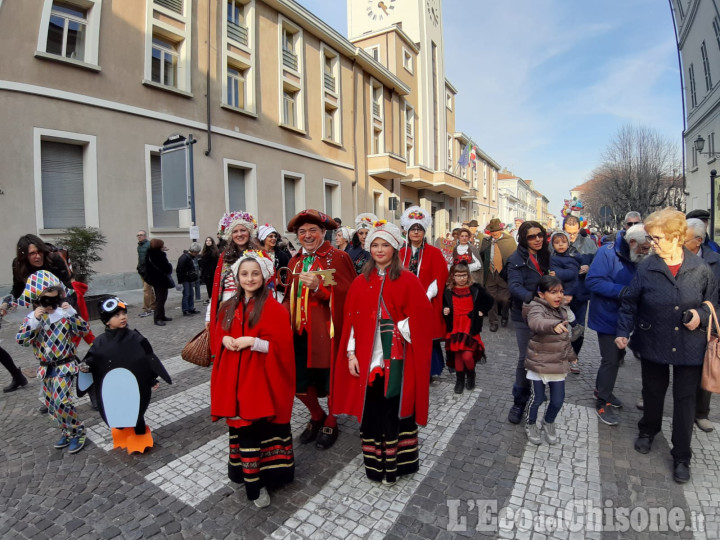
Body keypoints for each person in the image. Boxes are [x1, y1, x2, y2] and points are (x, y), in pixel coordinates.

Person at [616, 207, 716, 484]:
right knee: (652, 391)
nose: (652, 243)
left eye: (657, 238)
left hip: (689, 344)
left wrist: (701, 315)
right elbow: (630, 302)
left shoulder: (700, 268)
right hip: (653, 338)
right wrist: (623, 331)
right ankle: (648, 430)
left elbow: (714, 305)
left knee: (685, 401)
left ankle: (682, 455)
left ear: (675, 237)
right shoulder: (647, 266)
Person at [331, 221, 432, 485]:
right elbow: (351, 321)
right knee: (371, 412)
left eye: (384, 245)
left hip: (398, 360)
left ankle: (396, 467)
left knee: (394, 411)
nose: (378, 249)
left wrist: (397, 326)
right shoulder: (360, 281)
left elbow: (422, 320)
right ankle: (376, 468)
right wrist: (351, 354)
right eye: (374, 245)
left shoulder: (408, 280)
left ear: (395, 248)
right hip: (367, 359)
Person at [210, 251, 296, 508]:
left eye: (255, 273)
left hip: (261, 383)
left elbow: (282, 348)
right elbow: (217, 335)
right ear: (237, 276)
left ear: (264, 276)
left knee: (258, 430)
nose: (249, 278)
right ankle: (246, 475)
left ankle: (263, 480)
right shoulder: (227, 307)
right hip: (234, 382)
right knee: (241, 430)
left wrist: (254, 342)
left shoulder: (274, 308)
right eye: (245, 274)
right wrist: (223, 340)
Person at [282, 210, 356, 450]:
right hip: (299, 334)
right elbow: (288, 296)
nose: (307, 235)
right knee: (298, 382)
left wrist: (319, 289)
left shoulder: (338, 257)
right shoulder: (294, 260)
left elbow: (348, 297)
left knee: (331, 379)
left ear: (324, 232)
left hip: (328, 334)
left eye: (313, 230)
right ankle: (317, 415)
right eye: (302, 232)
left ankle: (332, 420)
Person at [80, 297, 171, 452]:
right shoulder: (100, 342)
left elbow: (146, 357)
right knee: (117, 409)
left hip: (134, 385)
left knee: (136, 411)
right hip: (114, 387)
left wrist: (151, 378)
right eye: (117, 315)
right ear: (107, 321)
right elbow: (93, 358)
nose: (123, 317)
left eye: (124, 313)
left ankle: (140, 437)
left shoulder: (135, 338)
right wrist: (86, 366)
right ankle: (122, 432)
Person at [16, 271, 90, 454]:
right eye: (46, 301)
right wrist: (34, 322)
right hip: (45, 368)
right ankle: (66, 431)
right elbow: (21, 340)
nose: (50, 306)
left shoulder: (64, 314)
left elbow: (83, 330)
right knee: (52, 405)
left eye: (53, 300)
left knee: (62, 401)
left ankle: (78, 431)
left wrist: (72, 314)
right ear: (37, 300)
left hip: (64, 365)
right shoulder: (32, 319)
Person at [586, 224, 650, 426]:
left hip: (629, 315)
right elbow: (593, 281)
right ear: (632, 243)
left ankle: (602, 389)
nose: (646, 252)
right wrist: (623, 291)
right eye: (643, 248)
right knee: (611, 359)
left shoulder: (639, 254)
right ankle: (602, 401)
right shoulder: (606, 253)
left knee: (616, 357)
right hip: (607, 315)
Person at [506, 221, 550, 424]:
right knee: (525, 358)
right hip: (524, 313)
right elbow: (514, 286)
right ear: (524, 238)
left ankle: (540, 393)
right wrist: (534, 298)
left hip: (549, 314)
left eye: (539, 234)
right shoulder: (515, 259)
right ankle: (519, 401)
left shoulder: (548, 255)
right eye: (532, 236)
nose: (537, 239)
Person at [522, 275, 574, 445]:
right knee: (537, 399)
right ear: (542, 294)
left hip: (557, 364)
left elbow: (564, 340)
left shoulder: (562, 309)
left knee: (558, 400)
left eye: (561, 292)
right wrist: (552, 325)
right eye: (553, 292)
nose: (559, 296)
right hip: (538, 363)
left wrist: (572, 356)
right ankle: (530, 424)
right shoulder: (536, 307)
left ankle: (548, 421)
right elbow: (536, 322)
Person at [399, 206, 449, 380]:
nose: (416, 232)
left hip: (428, 301)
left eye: (419, 229)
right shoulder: (401, 252)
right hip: (404, 301)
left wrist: (426, 296)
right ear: (407, 230)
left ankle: (429, 370)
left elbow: (439, 277)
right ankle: (408, 368)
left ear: (424, 231)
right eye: (413, 229)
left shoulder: (434, 252)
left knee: (427, 335)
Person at [685, 218, 720, 433]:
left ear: (698, 240)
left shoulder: (716, 261)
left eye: (684, 238)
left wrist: (708, 316)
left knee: (702, 368)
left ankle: (701, 413)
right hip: (677, 321)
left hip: (704, 324)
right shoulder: (674, 256)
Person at [442, 262, 493, 394]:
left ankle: (471, 374)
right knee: (458, 354)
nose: (461, 278)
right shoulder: (448, 290)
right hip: (455, 327)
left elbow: (489, 300)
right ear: (453, 276)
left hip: (470, 327)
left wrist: (482, 311)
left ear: (468, 275)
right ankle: (459, 380)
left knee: (467, 356)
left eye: (464, 275)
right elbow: (443, 305)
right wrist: (445, 310)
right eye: (458, 276)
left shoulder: (475, 288)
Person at [207, 211, 259, 331]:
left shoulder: (259, 255)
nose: (239, 234)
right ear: (231, 234)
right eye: (235, 231)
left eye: (243, 230)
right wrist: (209, 316)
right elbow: (218, 288)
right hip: (226, 307)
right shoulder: (224, 257)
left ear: (249, 232)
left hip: (252, 306)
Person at [562, 215, 597, 363]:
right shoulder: (555, 243)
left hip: (581, 292)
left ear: (579, 229)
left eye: (574, 232)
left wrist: (589, 268)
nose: (571, 236)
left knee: (579, 329)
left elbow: (598, 266)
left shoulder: (590, 244)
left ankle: (573, 357)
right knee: (558, 327)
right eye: (568, 232)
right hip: (560, 292)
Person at [479, 218, 517, 332]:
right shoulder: (486, 241)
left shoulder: (509, 241)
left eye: (496, 231)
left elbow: (514, 258)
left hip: (503, 274)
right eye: (492, 232)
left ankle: (505, 315)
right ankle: (493, 322)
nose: (494, 234)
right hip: (490, 274)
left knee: (505, 299)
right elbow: (481, 255)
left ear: (501, 230)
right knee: (491, 299)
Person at [144, 239, 173, 327]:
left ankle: (161, 315)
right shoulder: (159, 255)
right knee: (161, 299)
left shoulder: (149, 254)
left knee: (160, 298)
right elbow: (166, 268)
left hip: (155, 280)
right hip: (161, 280)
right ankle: (157, 318)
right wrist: (169, 267)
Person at [258, 223, 291, 297]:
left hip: (278, 292)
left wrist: (279, 280)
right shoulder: (256, 254)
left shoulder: (282, 255)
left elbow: (289, 273)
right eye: (270, 236)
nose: (274, 238)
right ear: (263, 238)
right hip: (259, 291)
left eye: (275, 236)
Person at [177, 243, 201, 316]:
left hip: (188, 278)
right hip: (185, 279)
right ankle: (185, 310)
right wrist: (180, 281)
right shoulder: (184, 258)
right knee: (187, 294)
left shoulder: (188, 257)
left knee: (191, 294)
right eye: (196, 253)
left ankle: (190, 308)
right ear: (194, 251)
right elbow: (179, 270)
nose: (196, 254)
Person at [136, 230, 156, 318]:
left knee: (146, 290)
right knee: (149, 290)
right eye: (138, 235)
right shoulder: (139, 246)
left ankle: (146, 309)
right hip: (142, 271)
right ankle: (154, 306)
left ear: (145, 236)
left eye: (141, 235)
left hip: (148, 271)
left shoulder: (149, 245)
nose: (139, 236)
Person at [199, 237, 220, 304]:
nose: (208, 242)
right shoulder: (205, 251)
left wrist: (210, 273)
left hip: (211, 272)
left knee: (212, 286)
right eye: (207, 241)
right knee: (208, 286)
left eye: (209, 240)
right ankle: (210, 297)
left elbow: (214, 264)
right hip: (206, 272)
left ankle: (212, 298)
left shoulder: (214, 251)